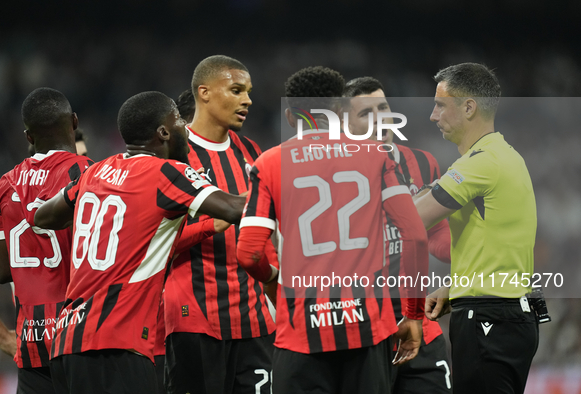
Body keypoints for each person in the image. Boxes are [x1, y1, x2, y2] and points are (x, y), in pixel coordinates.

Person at [34, 91, 247, 394]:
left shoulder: (94, 172)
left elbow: (43, 217)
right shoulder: (168, 173)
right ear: (163, 132)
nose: (185, 131)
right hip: (115, 345)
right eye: (179, 123)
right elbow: (236, 208)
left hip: (66, 345)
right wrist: (279, 181)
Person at [237, 66, 429, 394]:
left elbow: (249, 252)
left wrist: (271, 280)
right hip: (367, 327)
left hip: (301, 331)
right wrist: (413, 313)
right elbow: (416, 236)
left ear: (289, 116)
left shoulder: (268, 164)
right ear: (340, 108)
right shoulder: (376, 156)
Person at [416, 63, 538, 394]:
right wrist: (455, 287)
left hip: (489, 317)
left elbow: (412, 218)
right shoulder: (507, 156)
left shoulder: (479, 163)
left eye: (440, 104)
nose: (432, 114)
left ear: (468, 107)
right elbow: (498, 246)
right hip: (509, 313)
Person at [163, 55, 275, 394]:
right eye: (237, 90)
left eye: (249, 92)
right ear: (205, 93)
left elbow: (264, 236)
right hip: (195, 318)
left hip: (255, 320)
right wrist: (215, 224)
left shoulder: (252, 151)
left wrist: (278, 297)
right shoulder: (171, 155)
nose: (247, 100)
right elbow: (152, 242)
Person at [343, 77, 452, 393]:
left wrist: (467, 260)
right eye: (366, 113)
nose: (379, 117)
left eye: (383, 107)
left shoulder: (422, 161)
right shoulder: (335, 172)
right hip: (364, 329)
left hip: (420, 325)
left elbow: (436, 233)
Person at [0, 87, 94, 394]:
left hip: (32, 343)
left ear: (28, 136)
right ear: (74, 122)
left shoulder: (5, 185)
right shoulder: (88, 174)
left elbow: (1, 272)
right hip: (81, 337)